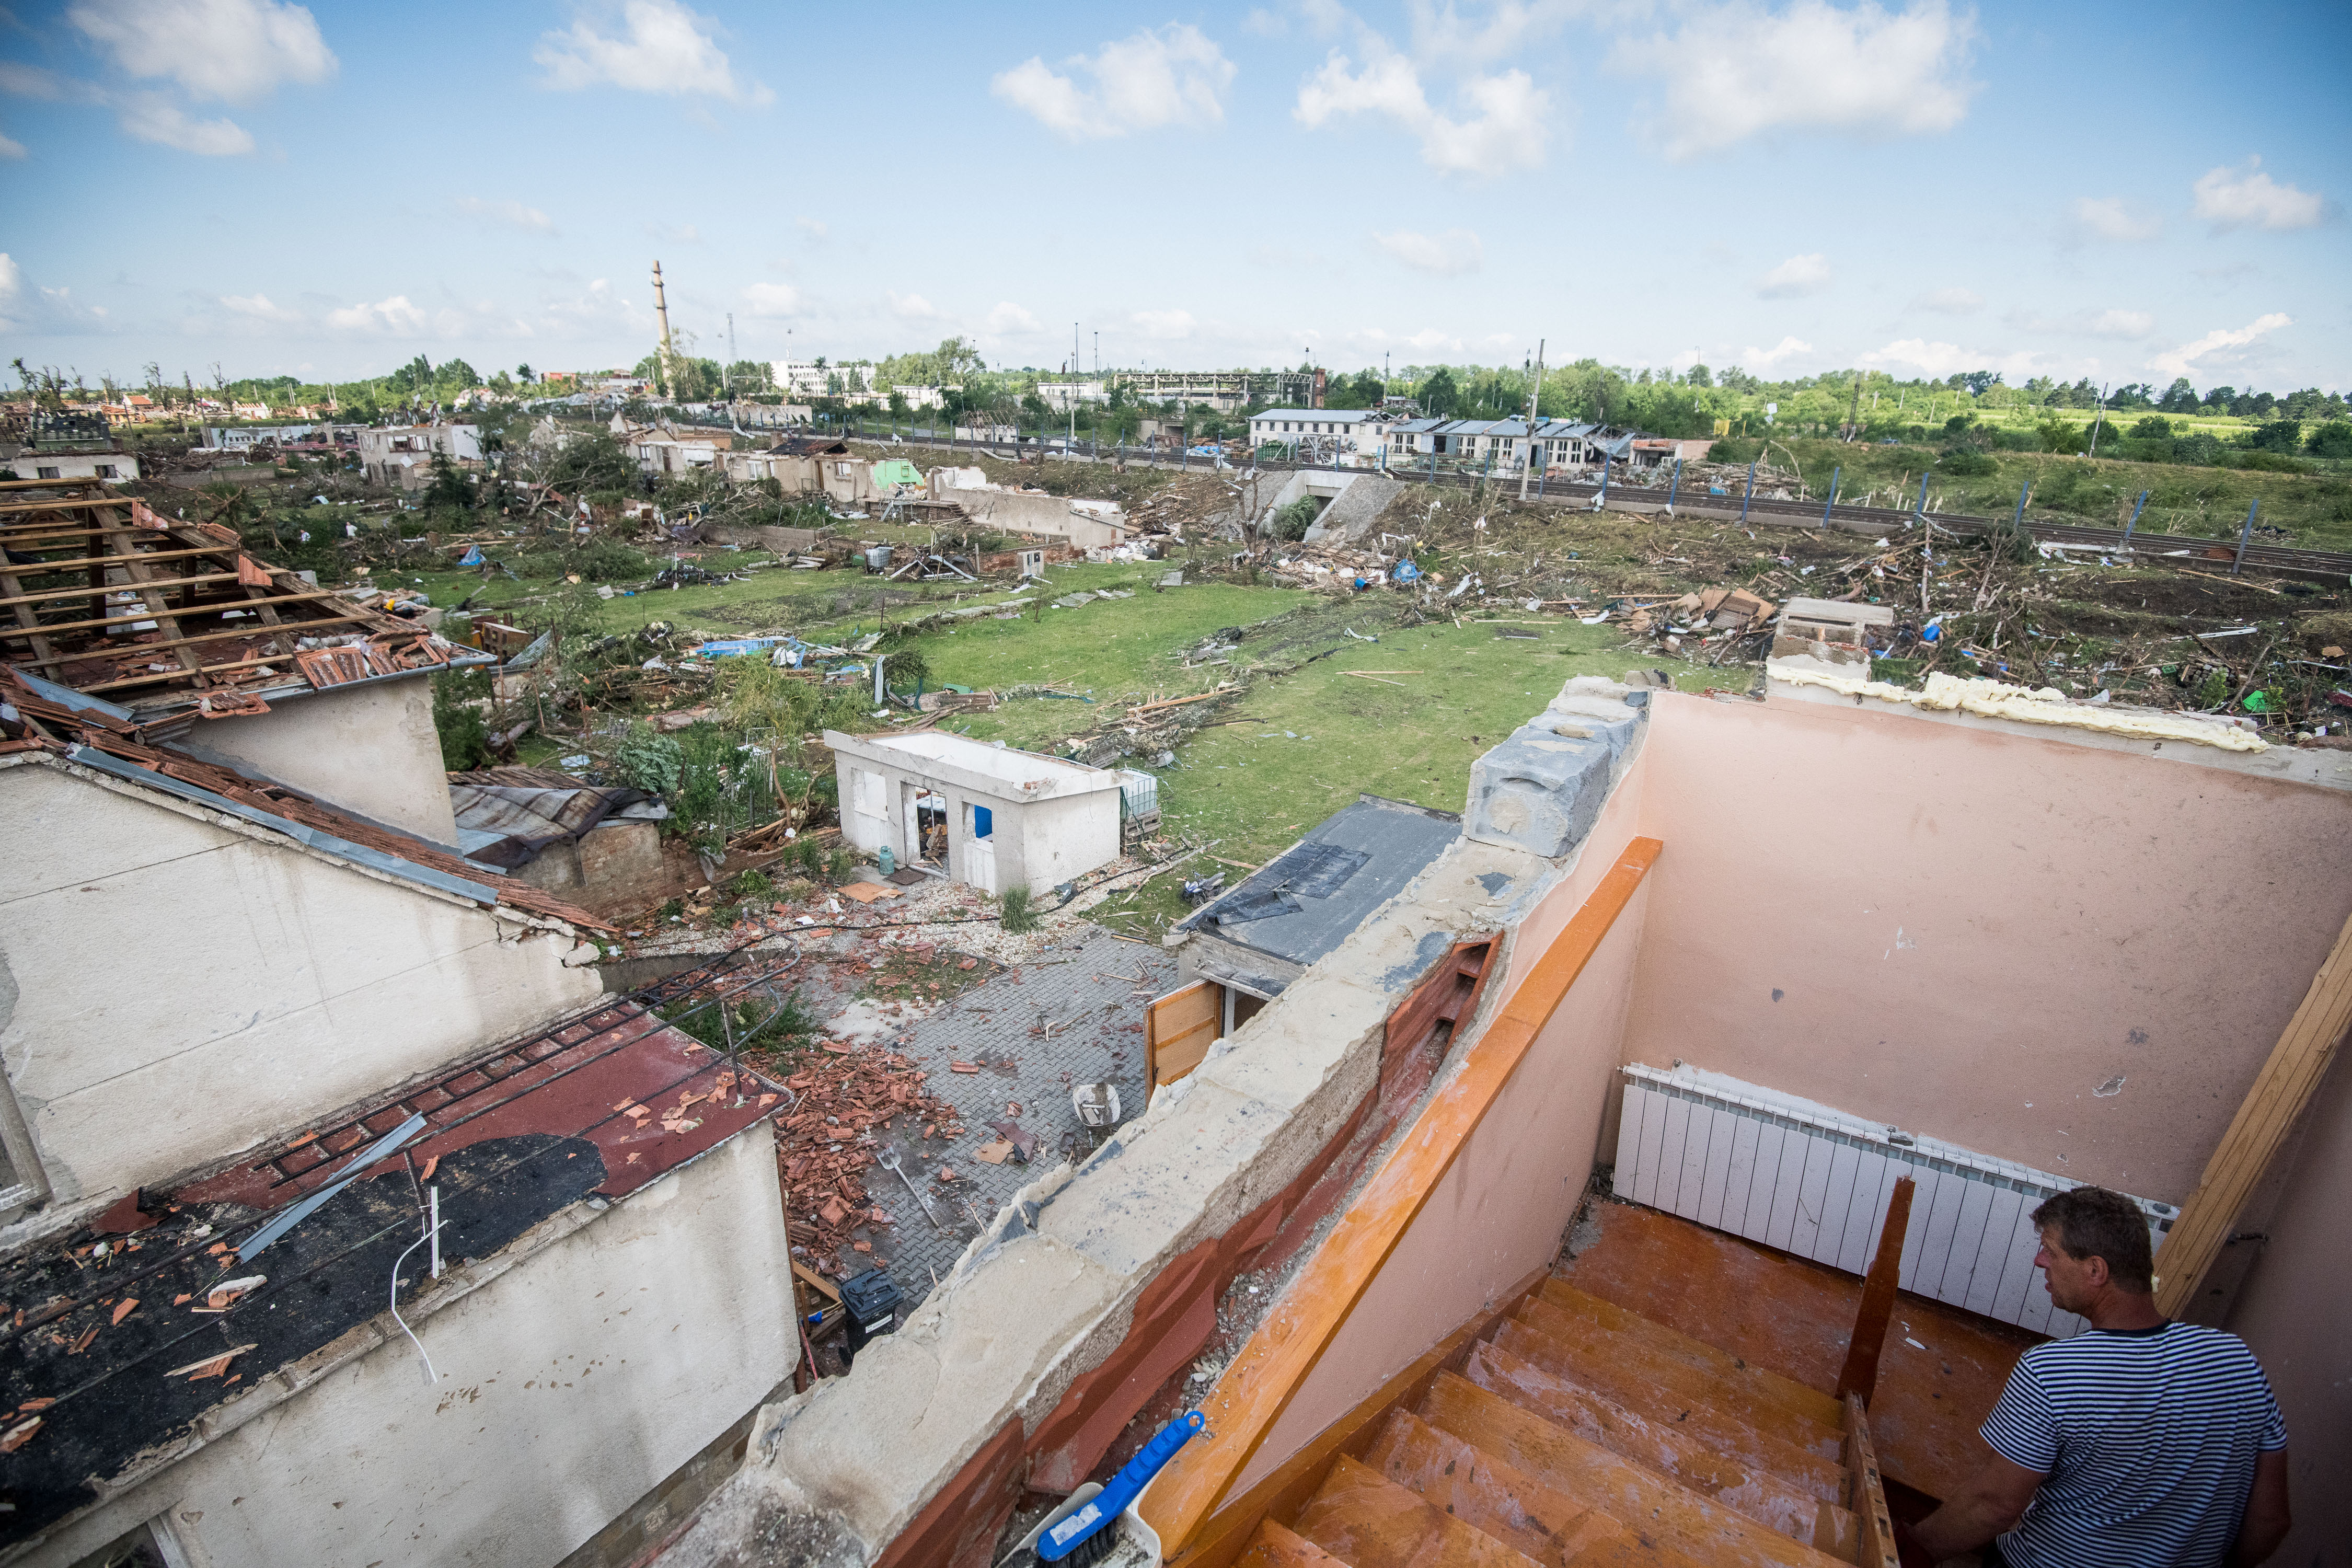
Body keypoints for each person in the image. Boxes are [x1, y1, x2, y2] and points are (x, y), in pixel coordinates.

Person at [1909, 1186, 2291, 1567]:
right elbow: (2271, 1522)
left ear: (2095, 1270)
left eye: (2050, 1251)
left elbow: (1994, 1506)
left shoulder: (2051, 1372)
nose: (2040, 1261)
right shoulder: (2237, 1360)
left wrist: (1912, 1549)